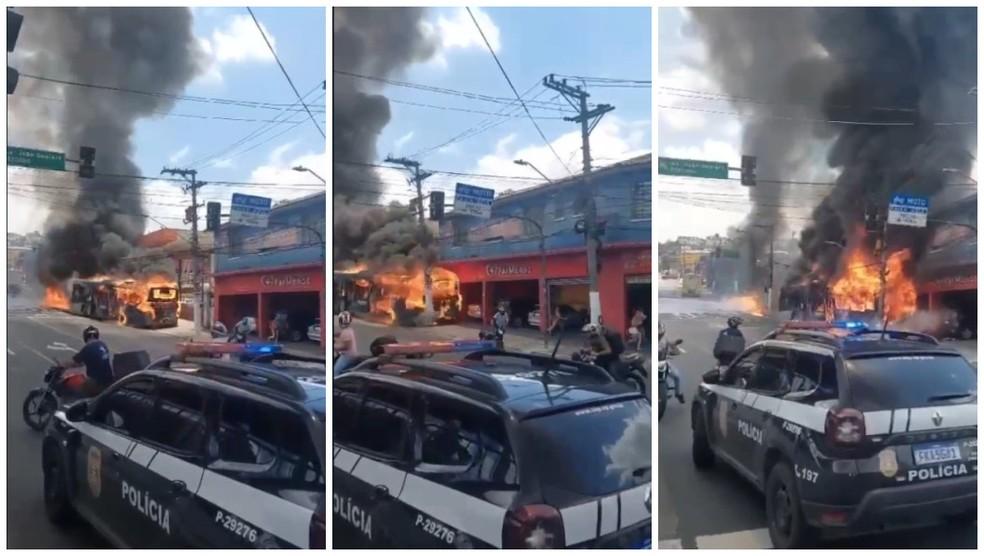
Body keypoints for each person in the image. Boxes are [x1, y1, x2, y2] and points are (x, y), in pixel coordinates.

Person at [66, 326, 114, 396]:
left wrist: (60, 365)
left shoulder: (88, 348)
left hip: (96, 382)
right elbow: (85, 362)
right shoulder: (102, 345)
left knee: (77, 391)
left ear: (86, 337)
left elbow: (72, 362)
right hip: (108, 380)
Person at [657, 322, 684, 402]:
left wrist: (676, 342)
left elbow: (671, 344)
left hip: (663, 362)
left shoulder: (664, 339)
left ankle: (678, 393)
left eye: (660, 334)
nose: (659, 336)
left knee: (677, 377)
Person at [333, 311, 359, 376]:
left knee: (335, 371)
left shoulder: (346, 332)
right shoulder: (348, 330)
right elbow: (340, 333)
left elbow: (345, 347)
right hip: (350, 355)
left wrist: (334, 346)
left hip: (347, 356)